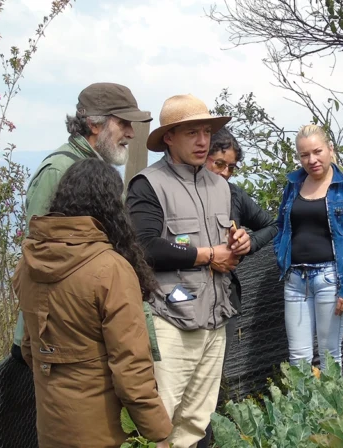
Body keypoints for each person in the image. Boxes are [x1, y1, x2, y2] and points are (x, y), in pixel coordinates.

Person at [14, 159, 172, 448]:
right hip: (102, 430)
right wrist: (159, 431)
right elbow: (131, 369)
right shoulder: (111, 269)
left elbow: (29, 347)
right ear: (112, 207)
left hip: (51, 423)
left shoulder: (29, 262)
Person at [126, 94, 248, 448]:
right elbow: (144, 247)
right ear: (169, 137)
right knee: (160, 422)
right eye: (192, 133)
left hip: (214, 320)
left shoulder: (220, 185)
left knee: (196, 422)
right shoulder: (148, 184)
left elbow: (229, 238)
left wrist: (239, 240)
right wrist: (210, 255)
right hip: (170, 319)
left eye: (206, 132)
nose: (202, 141)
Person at [11, 82, 152, 363]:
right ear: (94, 124)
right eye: (124, 123)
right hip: (53, 338)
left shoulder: (101, 170)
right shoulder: (58, 170)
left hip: (82, 332)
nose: (131, 133)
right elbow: (38, 255)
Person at [197, 126, 277, 448]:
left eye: (231, 167)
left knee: (212, 381)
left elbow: (273, 223)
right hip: (182, 300)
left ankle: (207, 440)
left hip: (224, 299)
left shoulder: (234, 195)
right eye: (219, 164)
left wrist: (248, 245)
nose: (225, 173)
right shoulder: (183, 193)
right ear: (202, 158)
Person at [273, 125, 343, 372]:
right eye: (304, 155)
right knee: (298, 359)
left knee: (329, 355)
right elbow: (280, 227)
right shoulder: (293, 186)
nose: (312, 160)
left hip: (330, 280)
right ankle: (303, 411)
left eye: (317, 151)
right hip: (295, 281)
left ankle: (332, 410)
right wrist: (280, 255)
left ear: (330, 149)